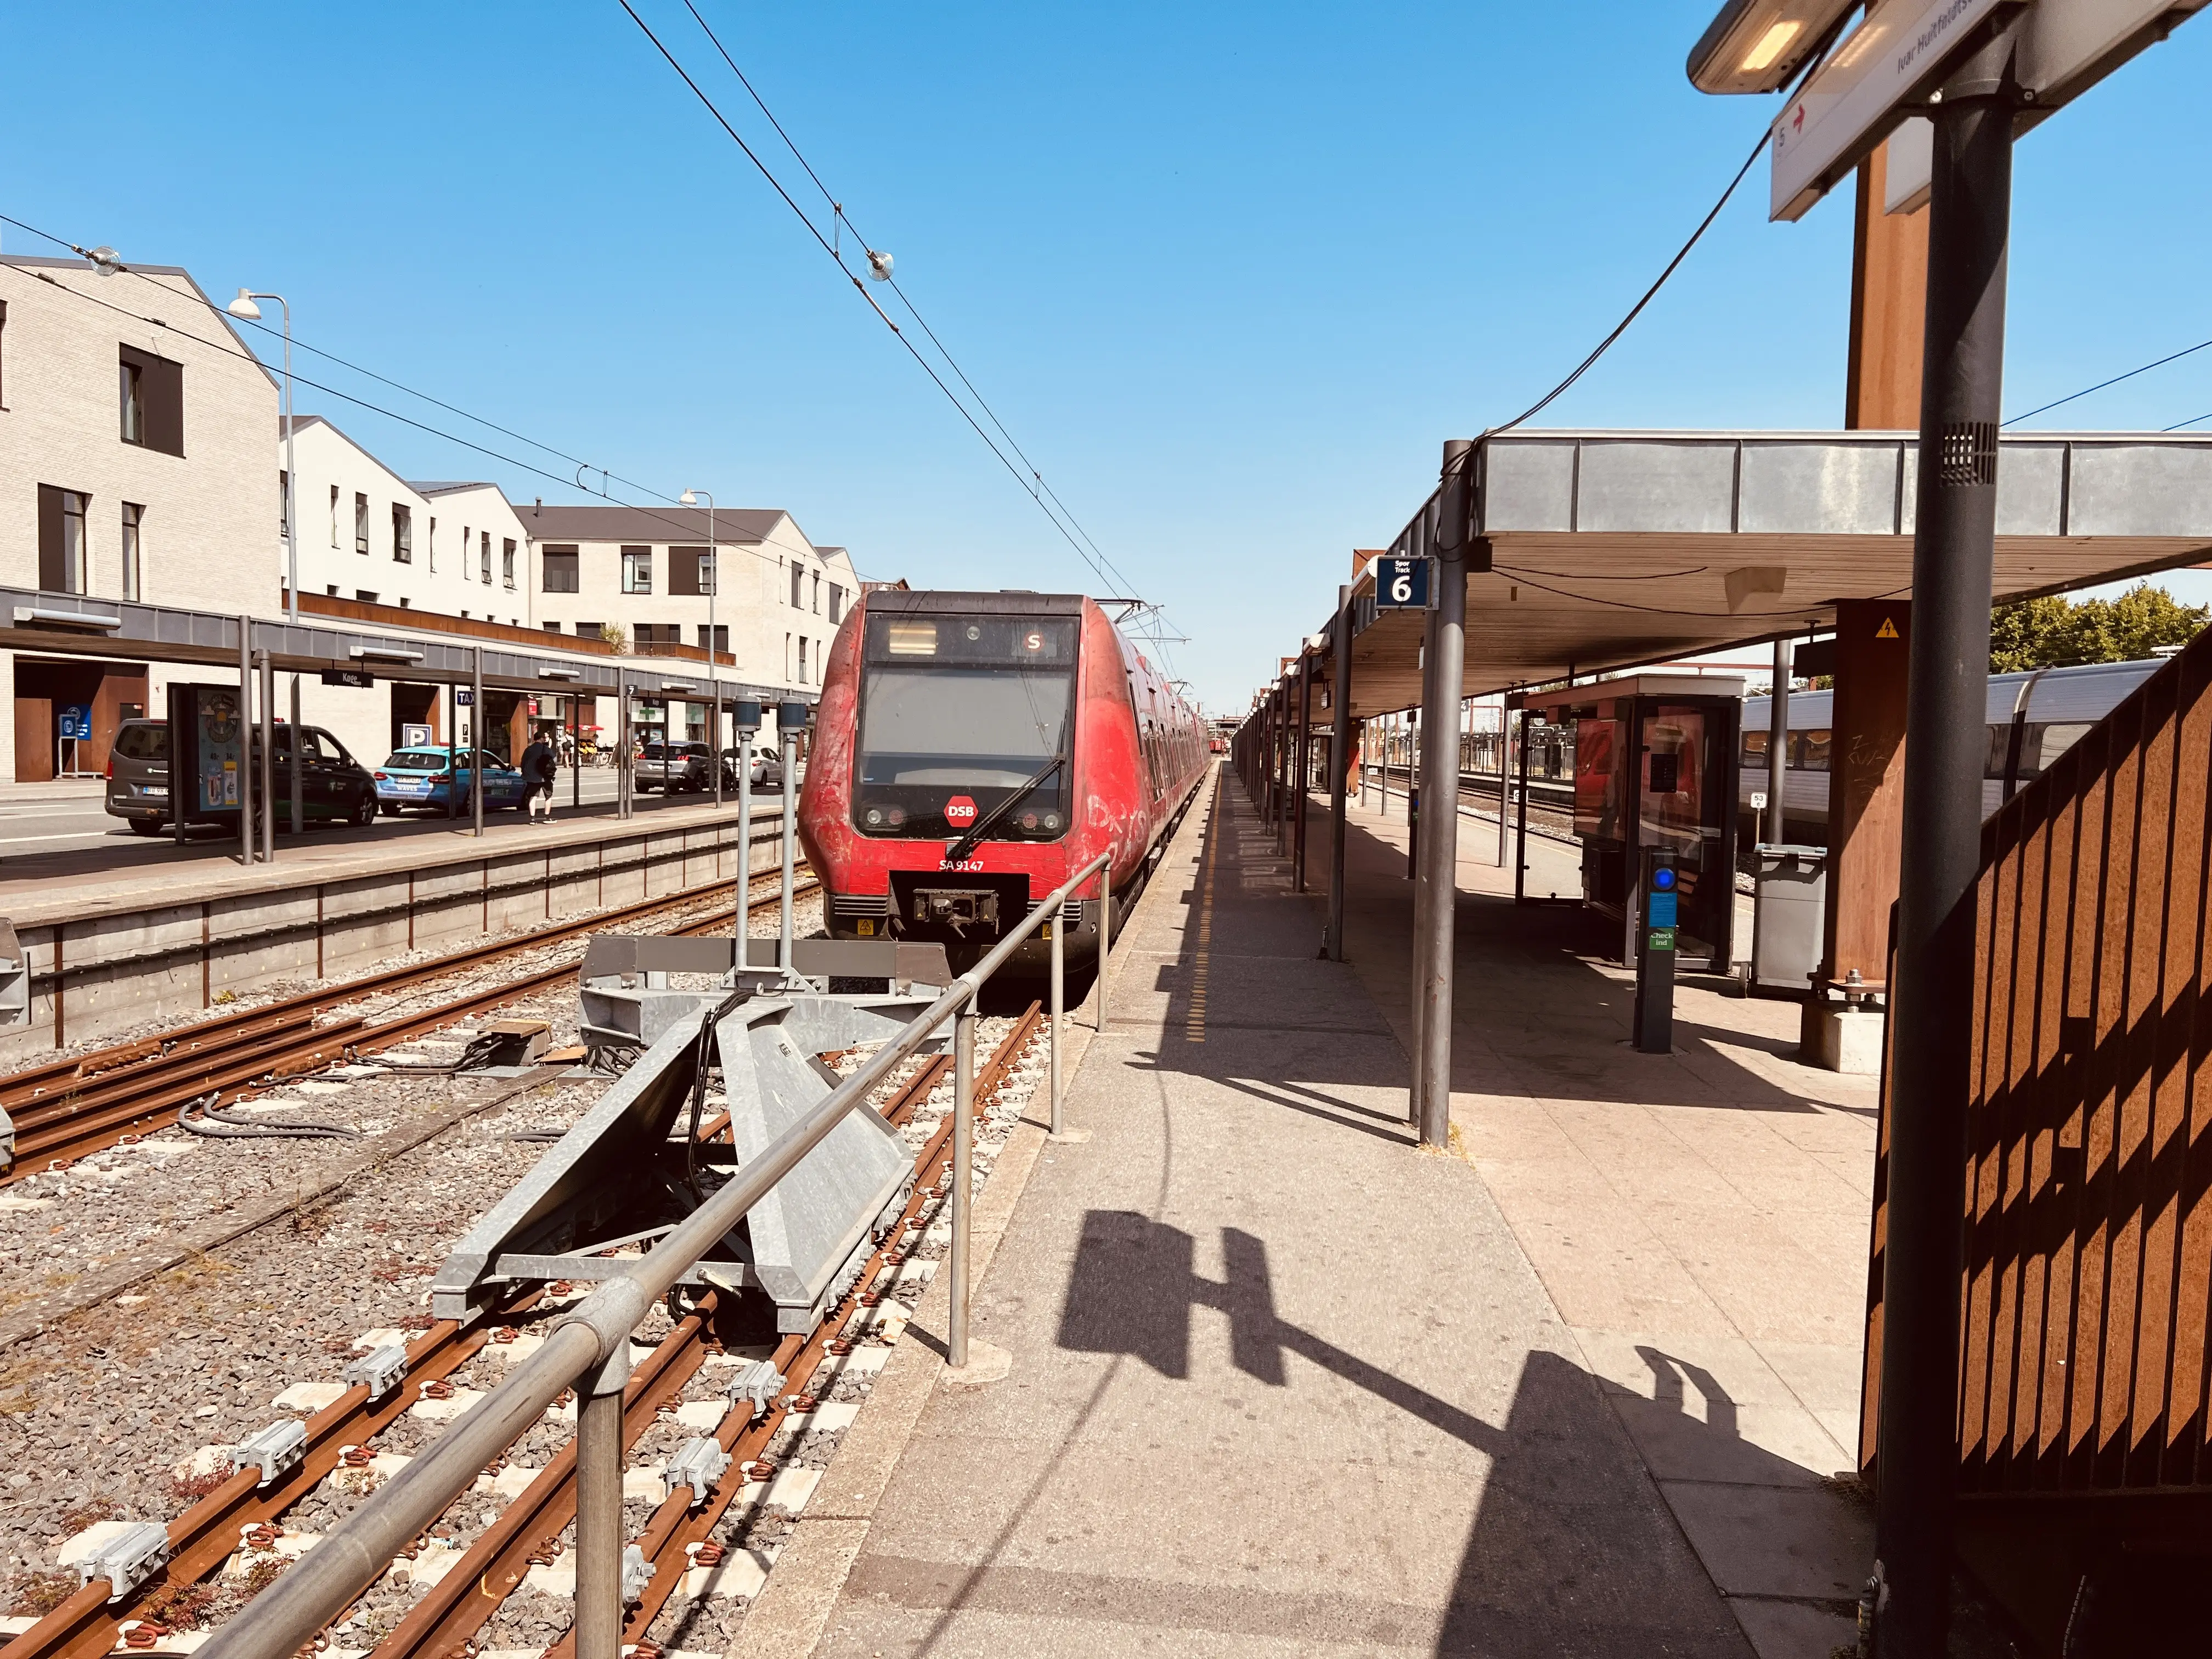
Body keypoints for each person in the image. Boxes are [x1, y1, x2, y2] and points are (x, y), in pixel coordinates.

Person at [521, 732, 557, 822]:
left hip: (532, 777)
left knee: (533, 797)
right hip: (545, 776)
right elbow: (554, 760)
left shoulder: (528, 750)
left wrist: (525, 774)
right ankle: (547, 817)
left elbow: (523, 763)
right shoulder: (546, 749)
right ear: (542, 739)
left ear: (534, 739)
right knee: (548, 796)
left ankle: (533, 819)